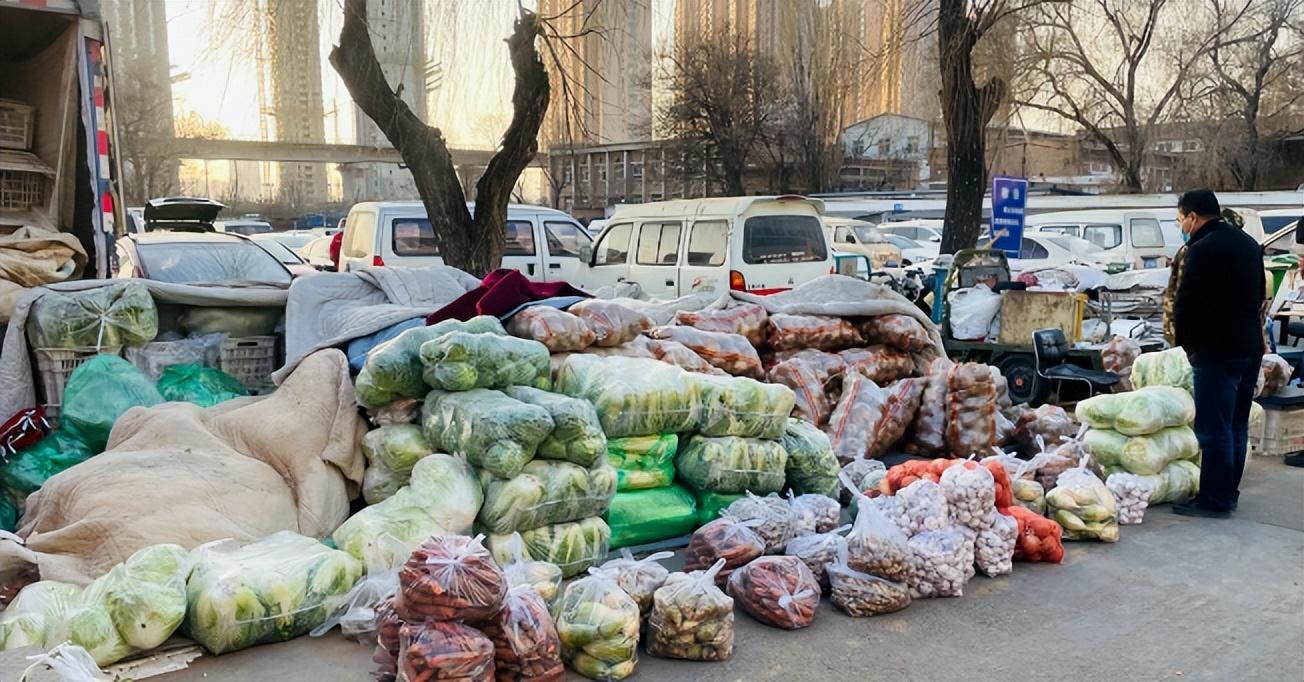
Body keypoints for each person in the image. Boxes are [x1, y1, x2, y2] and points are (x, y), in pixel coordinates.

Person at [1170, 189, 1266, 518]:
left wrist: (1188, 346)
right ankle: (1229, 492)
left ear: (1193, 217)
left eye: (1181, 219)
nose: (1181, 225)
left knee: (1214, 428)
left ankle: (1214, 499)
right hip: (1249, 346)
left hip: (1216, 351)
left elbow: (1186, 305)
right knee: (1237, 425)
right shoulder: (1248, 244)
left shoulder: (1201, 249)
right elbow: (1258, 299)